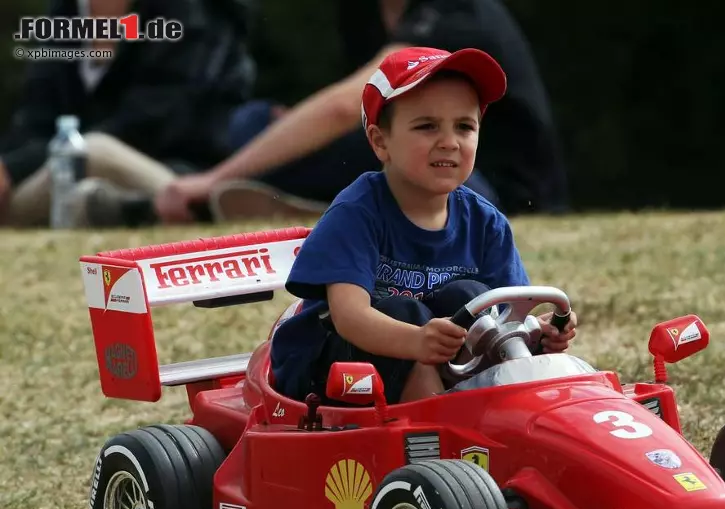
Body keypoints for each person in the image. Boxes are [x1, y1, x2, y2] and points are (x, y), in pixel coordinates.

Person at [269, 47, 577, 405]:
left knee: (472, 298)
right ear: (380, 141)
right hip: (330, 368)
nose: (449, 142)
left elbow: (510, 313)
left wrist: (541, 332)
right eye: (427, 126)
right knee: (406, 312)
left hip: (437, 357)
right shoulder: (356, 213)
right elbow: (350, 317)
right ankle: (437, 427)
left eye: (464, 126)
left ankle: (485, 411)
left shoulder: (486, 222)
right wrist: (417, 341)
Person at [155, 0, 569, 224]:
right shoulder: (366, 12)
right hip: (403, 156)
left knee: (398, 142)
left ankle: (310, 207)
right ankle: (309, 205)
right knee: (253, 122)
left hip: (490, 191)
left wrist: (213, 180)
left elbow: (343, 107)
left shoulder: (457, 11)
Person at [0, 0, 254, 228]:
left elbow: (149, 123)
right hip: (71, 172)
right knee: (80, 163)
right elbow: (35, 117)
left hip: (178, 178)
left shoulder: (191, 10)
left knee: (92, 151)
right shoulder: (67, 11)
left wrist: (14, 168)